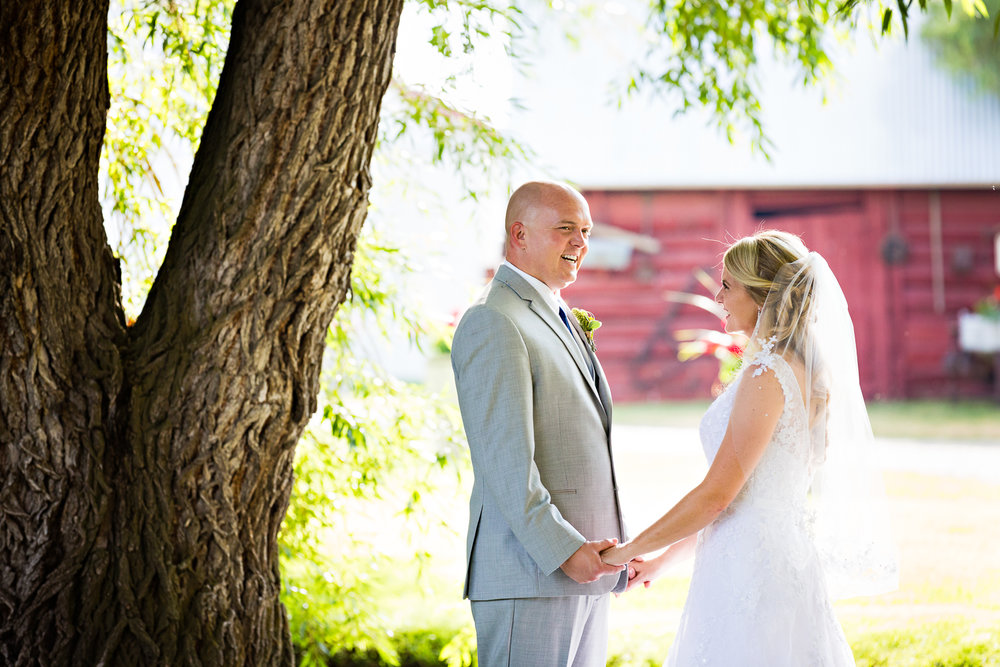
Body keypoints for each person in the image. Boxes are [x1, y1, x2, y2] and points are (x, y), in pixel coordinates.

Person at [601, 230, 898, 666]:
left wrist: (624, 552)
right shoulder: (800, 370)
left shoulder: (768, 373)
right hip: (772, 557)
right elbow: (742, 499)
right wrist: (663, 561)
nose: (719, 297)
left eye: (727, 285)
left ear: (761, 296)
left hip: (751, 572)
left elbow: (717, 497)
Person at [450, 181, 629, 667]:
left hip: (584, 574)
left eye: (586, 231)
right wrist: (565, 550)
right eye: (566, 228)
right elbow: (507, 464)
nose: (581, 243)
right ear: (520, 234)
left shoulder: (556, 313)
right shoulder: (494, 320)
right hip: (530, 574)